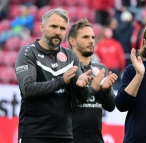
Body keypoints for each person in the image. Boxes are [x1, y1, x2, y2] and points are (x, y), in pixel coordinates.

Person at [15, 8, 93, 143]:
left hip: (64, 134)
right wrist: (61, 80)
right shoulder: (28, 52)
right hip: (34, 133)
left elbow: (82, 99)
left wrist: (81, 87)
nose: (58, 32)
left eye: (62, 28)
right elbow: (28, 89)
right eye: (53, 26)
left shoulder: (70, 56)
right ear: (42, 27)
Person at [68, 19, 118, 143]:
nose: (91, 41)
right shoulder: (65, 69)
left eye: (93, 37)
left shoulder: (100, 69)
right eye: (85, 37)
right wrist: (92, 89)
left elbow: (111, 106)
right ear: (72, 41)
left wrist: (106, 91)